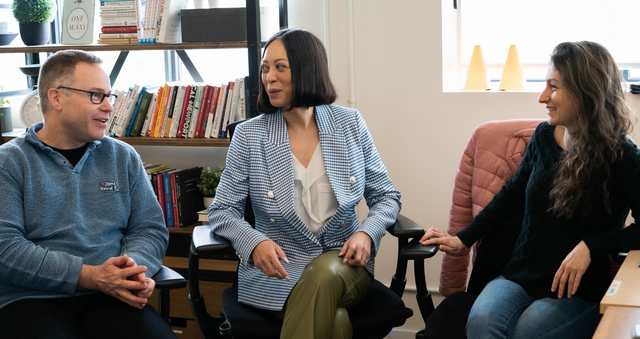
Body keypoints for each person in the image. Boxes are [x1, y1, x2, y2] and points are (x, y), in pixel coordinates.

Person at [421, 41, 640, 339]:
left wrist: (594, 245)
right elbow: (510, 196)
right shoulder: (543, 137)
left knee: (527, 331)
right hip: (519, 276)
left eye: (553, 86)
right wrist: (462, 239)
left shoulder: (623, 156)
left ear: (586, 91)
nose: (542, 97)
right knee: (481, 322)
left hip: (577, 293)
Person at [208, 28, 401, 339]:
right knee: (336, 321)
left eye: (280, 67)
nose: (269, 77)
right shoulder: (249, 136)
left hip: (344, 266)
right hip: (278, 274)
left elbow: (386, 197)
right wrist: (253, 242)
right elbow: (222, 211)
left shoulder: (350, 124)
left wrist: (367, 233)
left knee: (324, 274)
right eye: (265, 68)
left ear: (307, 69)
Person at [0, 50, 174, 339]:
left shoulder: (122, 156)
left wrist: (132, 269)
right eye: (96, 95)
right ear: (56, 98)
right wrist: (91, 276)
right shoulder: (9, 162)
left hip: (112, 295)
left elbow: (149, 228)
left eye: (109, 96)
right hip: (30, 299)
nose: (108, 107)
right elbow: (6, 249)